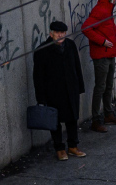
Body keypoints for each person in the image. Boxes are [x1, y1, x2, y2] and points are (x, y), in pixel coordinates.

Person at [33, 21, 88, 160]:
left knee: (72, 119)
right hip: (53, 92)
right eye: (58, 33)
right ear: (51, 34)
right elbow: (38, 76)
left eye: (63, 33)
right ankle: (59, 149)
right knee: (55, 121)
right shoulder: (42, 50)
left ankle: (73, 146)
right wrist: (41, 98)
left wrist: (79, 86)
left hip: (71, 89)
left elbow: (77, 66)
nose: (61, 35)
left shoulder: (70, 45)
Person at [81, 0, 116, 134]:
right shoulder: (101, 10)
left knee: (108, 86)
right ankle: (96, 120)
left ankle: (108, 114)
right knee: (100, 87)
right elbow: (86, 28)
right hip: (101, 55)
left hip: (109, 54)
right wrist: (103, 42)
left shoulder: (107, 9)